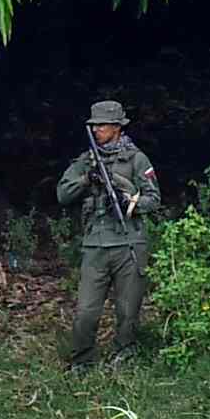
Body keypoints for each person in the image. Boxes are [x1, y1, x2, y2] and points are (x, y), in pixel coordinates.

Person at [54, 99, 162, 369]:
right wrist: (85, 179)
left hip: (129, 243)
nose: (97, 130)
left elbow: (154, 198)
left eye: (102, 125)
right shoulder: (86, 160)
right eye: (94, 125)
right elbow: (62, 195)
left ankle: (125, 355)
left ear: (117, 127)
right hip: (95, 245)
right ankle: (82, 360)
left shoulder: (136, 159)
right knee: (86, 311)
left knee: (128, 310)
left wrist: (131, 204)